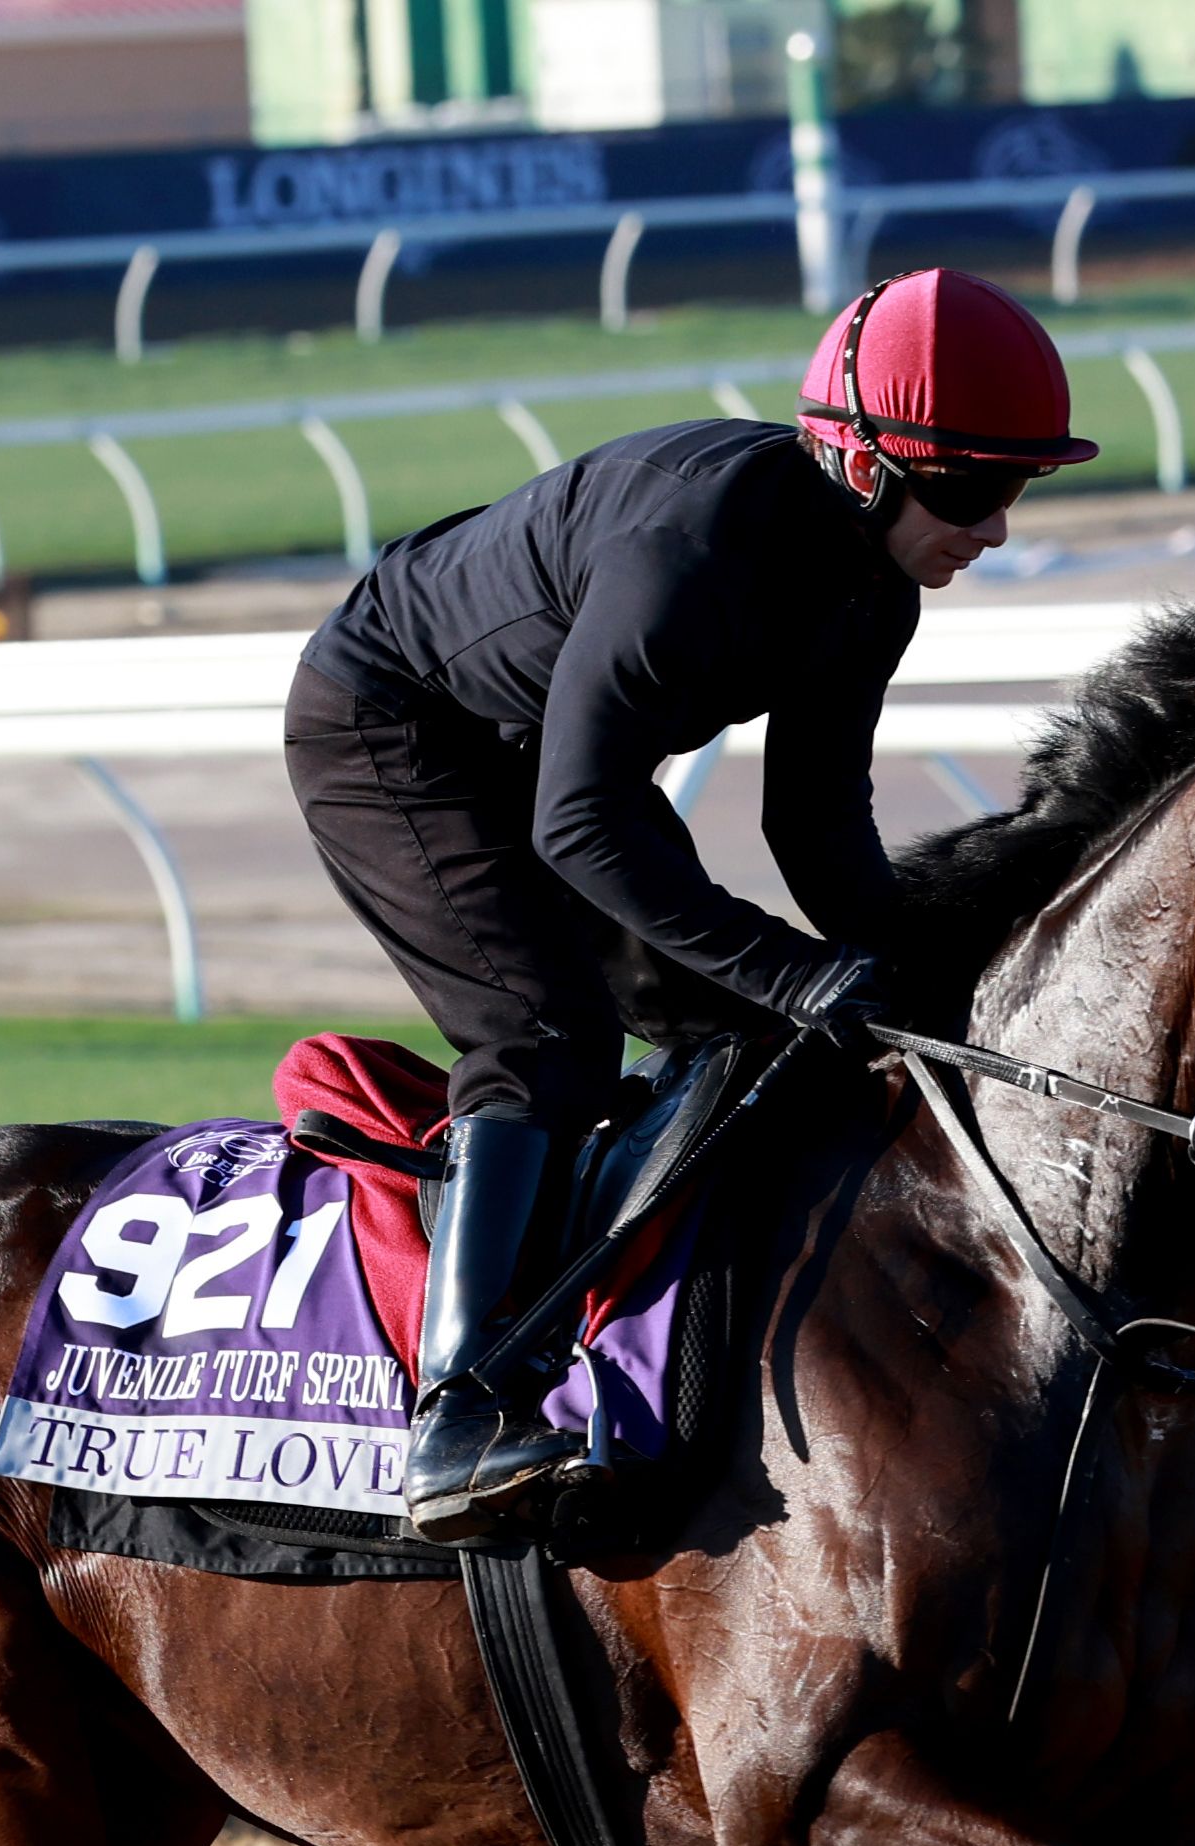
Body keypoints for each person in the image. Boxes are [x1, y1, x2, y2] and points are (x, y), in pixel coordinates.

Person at [282, 266, 1097, 1540]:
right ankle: (460, 1410)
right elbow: (578, 822)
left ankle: (660, 1341)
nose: (994, 526)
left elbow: (814, 823)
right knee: (544, 1032)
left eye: (1018, 488)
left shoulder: (875, 588)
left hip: (539, 748)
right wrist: (799, 971)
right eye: (975, 489)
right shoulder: (696, 554)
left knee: (742, 1033)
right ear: (867, 464)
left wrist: (910, 974)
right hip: (395, 725)